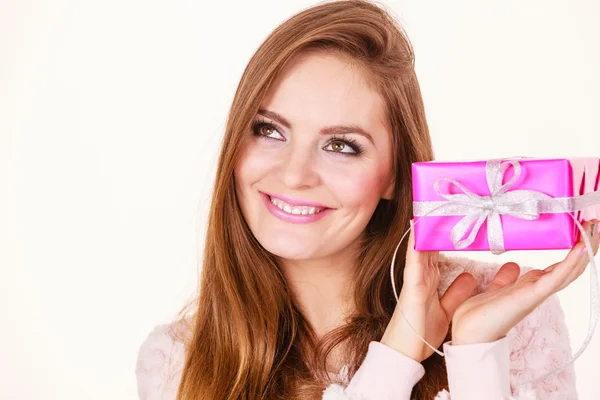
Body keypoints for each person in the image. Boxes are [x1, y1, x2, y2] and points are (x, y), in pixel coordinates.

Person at [135, 1, 599, 398]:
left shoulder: (511, 320)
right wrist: (396, 358)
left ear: (396, 176)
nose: (294, 175)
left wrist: (477, 353)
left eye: (340, 145)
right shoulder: (177, 362)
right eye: (269, 130)